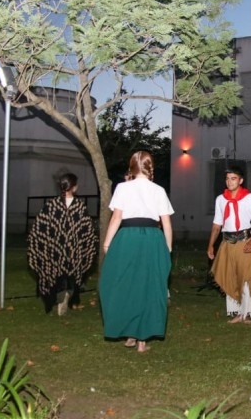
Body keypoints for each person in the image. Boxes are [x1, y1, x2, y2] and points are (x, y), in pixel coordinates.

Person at [99, 151, 173, 353]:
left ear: (132, 167)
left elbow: (116, 218)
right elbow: (166, 222)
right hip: (152, 238)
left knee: (126, 284)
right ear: (150, 167)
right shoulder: (158, 190)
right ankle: (138, 337)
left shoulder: (123, 188)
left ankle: (133, 335)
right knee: (147, 286)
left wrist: (107, 243)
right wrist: (168, 249)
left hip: (128, 238)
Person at [27, 173, 98, 316]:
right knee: (71, 275)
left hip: (54, 250)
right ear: (75, 187)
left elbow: (39, 228)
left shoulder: (51, 205)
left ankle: (60, 297)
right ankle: (66, 295)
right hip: (73, 250)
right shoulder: (80, 207)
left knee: (55, 274)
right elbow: (87, 231)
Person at [207, 165, 251, 324]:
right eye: (227, 179)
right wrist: (211, 244)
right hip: (226, 242)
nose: (229, 182)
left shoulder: (250, 198)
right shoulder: (220, 199)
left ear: (241, 180)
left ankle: (247, 313)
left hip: (244, 241)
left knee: (246, 277)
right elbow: (217, 224)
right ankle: (235, 311)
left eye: (233, 178)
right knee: (229, 276)